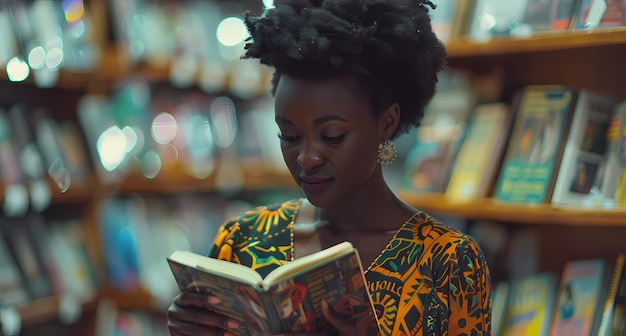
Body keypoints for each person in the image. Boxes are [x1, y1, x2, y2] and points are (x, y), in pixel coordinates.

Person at [167, 0, 492, 335]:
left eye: (333, 136)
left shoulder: (446, 261)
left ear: (387, 122)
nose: (307, 158)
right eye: (290, 136)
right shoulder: (242, 240)